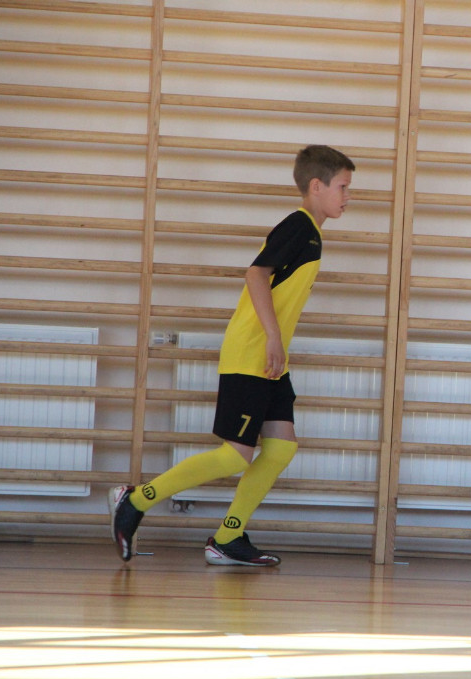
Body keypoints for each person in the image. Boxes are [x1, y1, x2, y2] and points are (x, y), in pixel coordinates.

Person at [109, 144, 355, 566]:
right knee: (234, 455)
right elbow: (256, 274)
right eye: (343, 187)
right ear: (317, 186)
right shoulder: (299, 226)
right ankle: (136, 500)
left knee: (279, 449)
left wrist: (276, 345)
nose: (348, 196)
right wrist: (273, 337)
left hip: (269, 361)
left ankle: (227, 538)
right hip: (251, 354)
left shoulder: (312, 232)